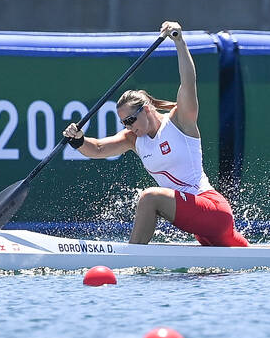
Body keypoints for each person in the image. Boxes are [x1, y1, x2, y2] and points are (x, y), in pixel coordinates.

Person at [62, 21, 249, 246]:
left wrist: (179, 41)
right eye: (124, 123)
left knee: (150, 197)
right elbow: (97, 149)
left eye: (131, 120)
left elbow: (188, 82)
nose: (129, 127)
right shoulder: (133, 139)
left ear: (148, 109)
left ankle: (131, 258)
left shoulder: (180, 120)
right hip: (199, 224)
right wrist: (78, 139)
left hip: (211, 209)